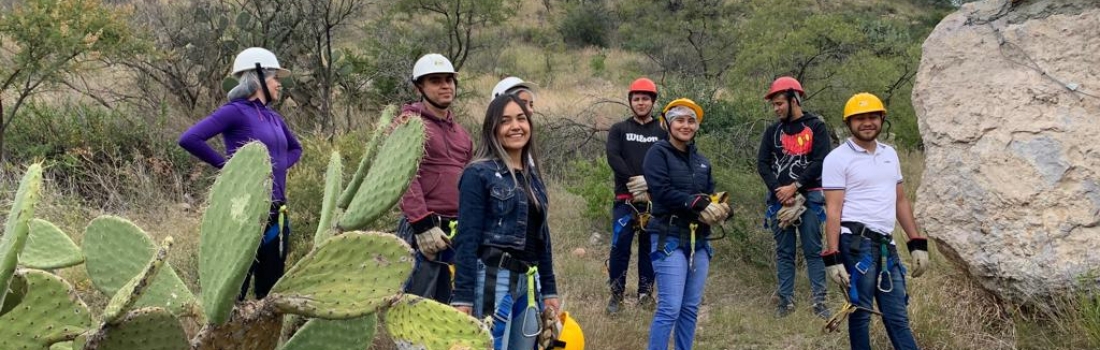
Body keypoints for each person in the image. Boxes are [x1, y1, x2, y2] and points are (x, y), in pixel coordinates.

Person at [178, 47, 301, 300]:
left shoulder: (274, 118)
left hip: (277, 213)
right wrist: (232, 170)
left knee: (269, 293)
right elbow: (190, 139)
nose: (279, 84)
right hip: (244, 211)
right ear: (258, 78)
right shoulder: (235, 111)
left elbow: (296, 148)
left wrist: (271, 171)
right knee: (236, 291)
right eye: (275, 78)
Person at [821, 92, 930, 350]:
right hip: (855, 245)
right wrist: (833, 257)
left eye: (872, 117)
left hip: (886, 245)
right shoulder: (837, 158)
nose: (867, 123)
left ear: (882, 119)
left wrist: (916, 242)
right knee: (860, 314)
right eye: (859, 118)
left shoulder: (889, 154)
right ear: (849, 123)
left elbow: (900, 200)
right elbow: (833, 210)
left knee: (897, 316)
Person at [452, 94, 560, 350]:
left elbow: (542, 238)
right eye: (505, 121)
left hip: (528, 283)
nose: (515, 126)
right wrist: (463, 297)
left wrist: (550, 290)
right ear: (493, 129)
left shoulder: (533, 177)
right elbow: (466, 240)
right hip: (492, 279)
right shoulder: (478, 173)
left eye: (521, 119)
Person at [644, 98, 730, 350]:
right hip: (668, 238)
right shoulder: (657, 153)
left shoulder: (702, 161)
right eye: (679, 120)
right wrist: (698, 204)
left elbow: (710, 193)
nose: (685, 125)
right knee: (670, 308)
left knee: (690, 308)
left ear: (697, 126)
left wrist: (723, 208)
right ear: (667, 124)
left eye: (691, 120)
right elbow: (661, 191)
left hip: (700, 242)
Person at [395, 53, 474, 303]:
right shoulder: (408, 124)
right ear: (420, 86)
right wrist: (422, 224)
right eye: (435, 80)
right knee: (415, 306)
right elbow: (401, 175)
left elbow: (470, 183)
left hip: (456, 230)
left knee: (449, 307)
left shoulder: (462, 135)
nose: (445, 85)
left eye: (449, 80)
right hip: (423, 229)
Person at [756, 76, 833, 318]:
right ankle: (785, 302)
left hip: (810, 198)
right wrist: (780, 190)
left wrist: (795, 187)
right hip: (779, 200)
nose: (776, 108)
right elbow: (762, 163)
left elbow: (821, 161)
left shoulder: (816, 127)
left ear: (794, 99)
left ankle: (820, 302)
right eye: (774, 104)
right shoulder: (772, 131)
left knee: (813, 249)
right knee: (784, 252)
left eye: (780, 103)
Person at [604, 77, 665, 314]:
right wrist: (634, 182)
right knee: (620, 246)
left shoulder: (663, 129)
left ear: (653, 102)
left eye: (645, 99)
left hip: (654, 200)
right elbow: (613, 156)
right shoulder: (620, 129)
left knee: (650, 247)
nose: (640, 103)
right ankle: (616, 296)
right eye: (636, 99)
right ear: (630, 101)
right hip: (624, 199)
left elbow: (669, 158)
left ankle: (645, 293)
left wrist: (650, 184)